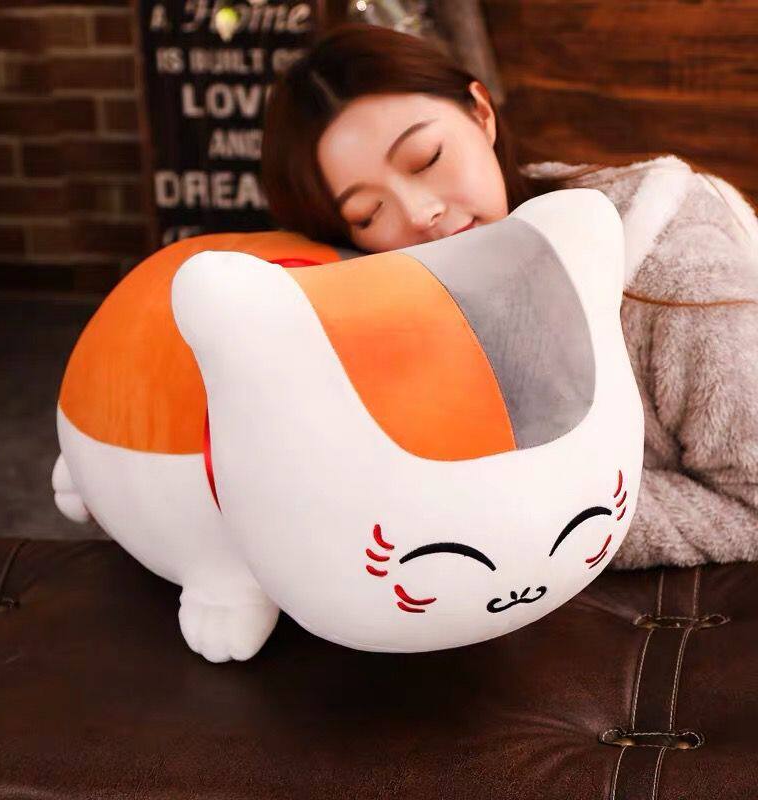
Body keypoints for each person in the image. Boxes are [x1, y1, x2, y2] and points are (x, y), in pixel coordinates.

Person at [259, 23, 758, 570]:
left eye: (426, 158)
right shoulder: (390, 305)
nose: (420, 213)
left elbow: (751, 500)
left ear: (481, 114)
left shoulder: (670, 265)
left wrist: (526, 513)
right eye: (368, 213)